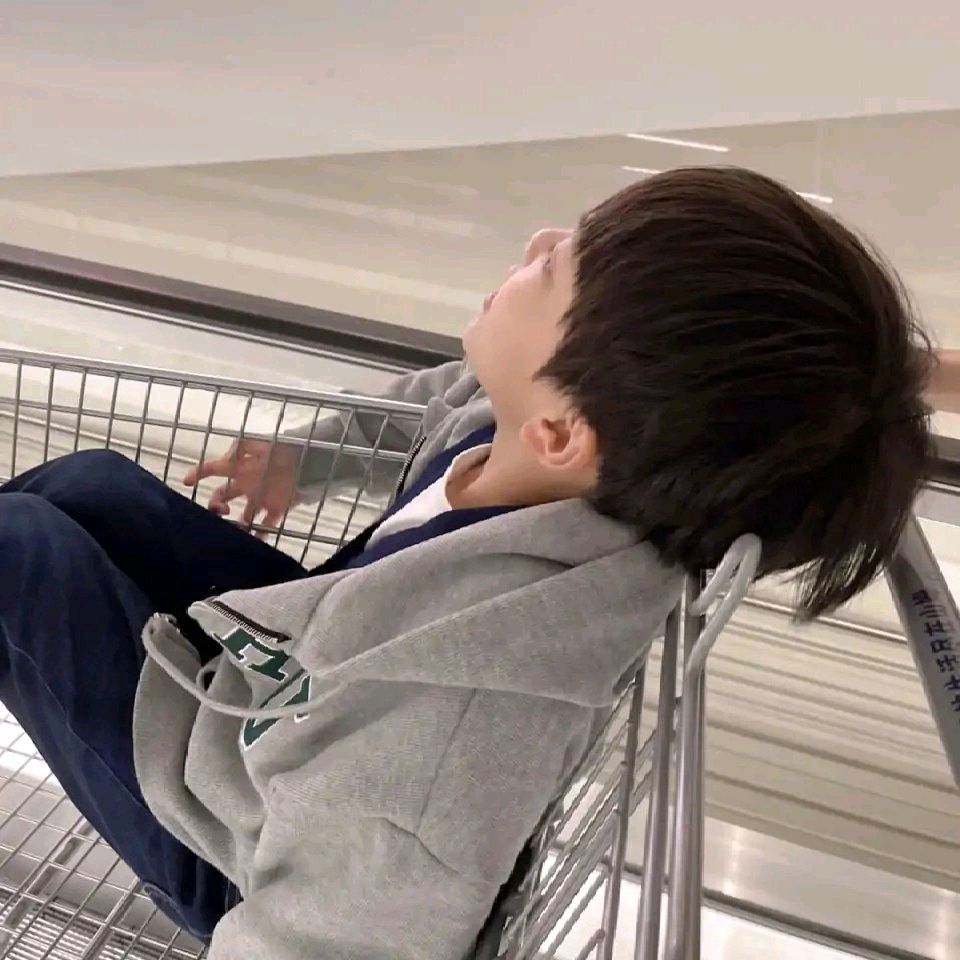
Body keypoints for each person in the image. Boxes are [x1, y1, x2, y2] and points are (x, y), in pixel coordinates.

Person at [0, 167, 934, 959]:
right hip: (295, 699)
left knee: (21, 556)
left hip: (247, 844)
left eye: (554, 269)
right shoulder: (532, 440)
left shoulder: (460, 716)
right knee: (90, 487)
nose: (536, 241)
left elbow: (346, 927)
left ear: (563, 431)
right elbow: (440, 397)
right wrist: (304, 460)